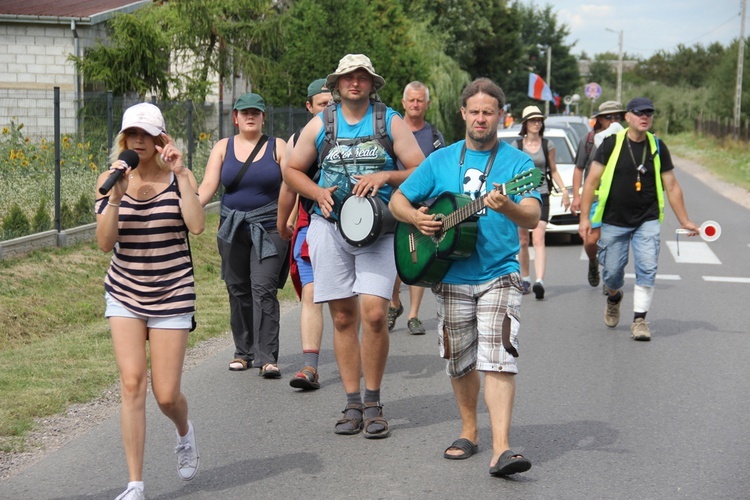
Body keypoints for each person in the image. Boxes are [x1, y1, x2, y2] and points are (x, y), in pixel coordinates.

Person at [389, 77, 539, 476]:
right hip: (450, 273)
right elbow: (398, 200)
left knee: (499, 358)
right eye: (474, 111)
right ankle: (469, 430)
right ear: (462, 114)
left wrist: (507, 206)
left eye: (488, 112)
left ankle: (503, 448)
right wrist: (417, 218)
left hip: (499, 272)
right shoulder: (440, 160)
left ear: (500, 116)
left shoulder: (519, 164)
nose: (480, 118)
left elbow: (533, 215)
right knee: (459, 360)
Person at [284, 54, 424, 438]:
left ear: (371, 83)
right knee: (343, 317)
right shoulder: (322, 124)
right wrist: (316, 192)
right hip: (330, 228)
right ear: (338, 84)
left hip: (380, 229)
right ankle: (351, 403)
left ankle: (374, 400)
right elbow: (292, 169)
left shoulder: (388, 121)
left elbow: (419, 168)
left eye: (362, 77)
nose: (355, 83)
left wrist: (386, 174)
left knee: (375, 313)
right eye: (348, 77)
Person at [95, 103, 205, 500]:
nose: (138, 141)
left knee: (166, 394)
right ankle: (135, 485)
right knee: (131, 384)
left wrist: (180, 174)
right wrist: (115, 199)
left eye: (146, 135)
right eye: (131, 135)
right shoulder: (109, 181)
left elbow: (196, 225)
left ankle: (183, 430)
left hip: (173, 291)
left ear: (161, 140)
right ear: (124, 140)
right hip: (124, 291)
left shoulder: (180, 178)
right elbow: (106, 243)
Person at [579, 97, 699, 341]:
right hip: (613, 218)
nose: (645, 117)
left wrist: (685, 220)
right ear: (628, 117)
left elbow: (672, 185)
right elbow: (591, 181)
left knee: (647, 268)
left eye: (649, 113)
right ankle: (614, 297)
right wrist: (584, 218)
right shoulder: (611, 144)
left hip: (648, 219)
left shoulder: (657, 146)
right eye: (640, 113)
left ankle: (640, 320)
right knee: (612, 273)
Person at [198, 93, 289, 377]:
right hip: (232, 227)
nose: (250, 116)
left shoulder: (278, 146)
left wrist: (287, 221)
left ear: (264, 117)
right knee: (237, 289)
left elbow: (292, 184)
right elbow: (208, 185)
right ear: (235, 117)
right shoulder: (222, 147)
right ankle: (243, 351)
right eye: (244, 112)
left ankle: (267, 357)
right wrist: (184, 208)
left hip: (270, 227)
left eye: (256, 112)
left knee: (263, 288)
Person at [277, 78, 332, 390]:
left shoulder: (356, 133)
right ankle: (309, 367)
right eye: (322, 104)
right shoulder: (298, 139)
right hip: (309, 224)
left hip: (354, 229)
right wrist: (282, 221)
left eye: (331, 103)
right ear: (309, 107)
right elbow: (288, 184)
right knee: (310, 293)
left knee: (348, 305)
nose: (328, 109)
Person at [388, 81, 445, 335]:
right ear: (403, 103)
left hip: (423, 206)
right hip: (393, 203)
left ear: (427, 104)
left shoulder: (434, 137)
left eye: (420, 100)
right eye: (411, 100)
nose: (415, 104)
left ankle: (413, 315)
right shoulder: (391, 131)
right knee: (391, 259)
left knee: (415, 256)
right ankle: (394, 303)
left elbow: (442, 172)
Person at [514, 105, 571, 299]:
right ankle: (525, 278)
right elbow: (511, 172)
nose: (537, 123)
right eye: (533, 120)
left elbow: (553, 170)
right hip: (521, 197)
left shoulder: (548, 145)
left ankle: (539, 281)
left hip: (542, 195)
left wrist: (564, 191)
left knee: (539, 238)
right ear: (525, 124)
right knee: (523, 241)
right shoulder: (517, 146)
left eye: (539, 120)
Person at [571, 100, 626, 288]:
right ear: (600, 119)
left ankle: (609, 275)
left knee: (612, 239)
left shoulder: (625, 139)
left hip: (616, 197)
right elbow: (579, 169)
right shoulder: (588, 140)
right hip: (593, 196)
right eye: (608, 117)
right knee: (590, 239)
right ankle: (593, 262)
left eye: (617, 117)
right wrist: (577, 197)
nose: (613, 121)